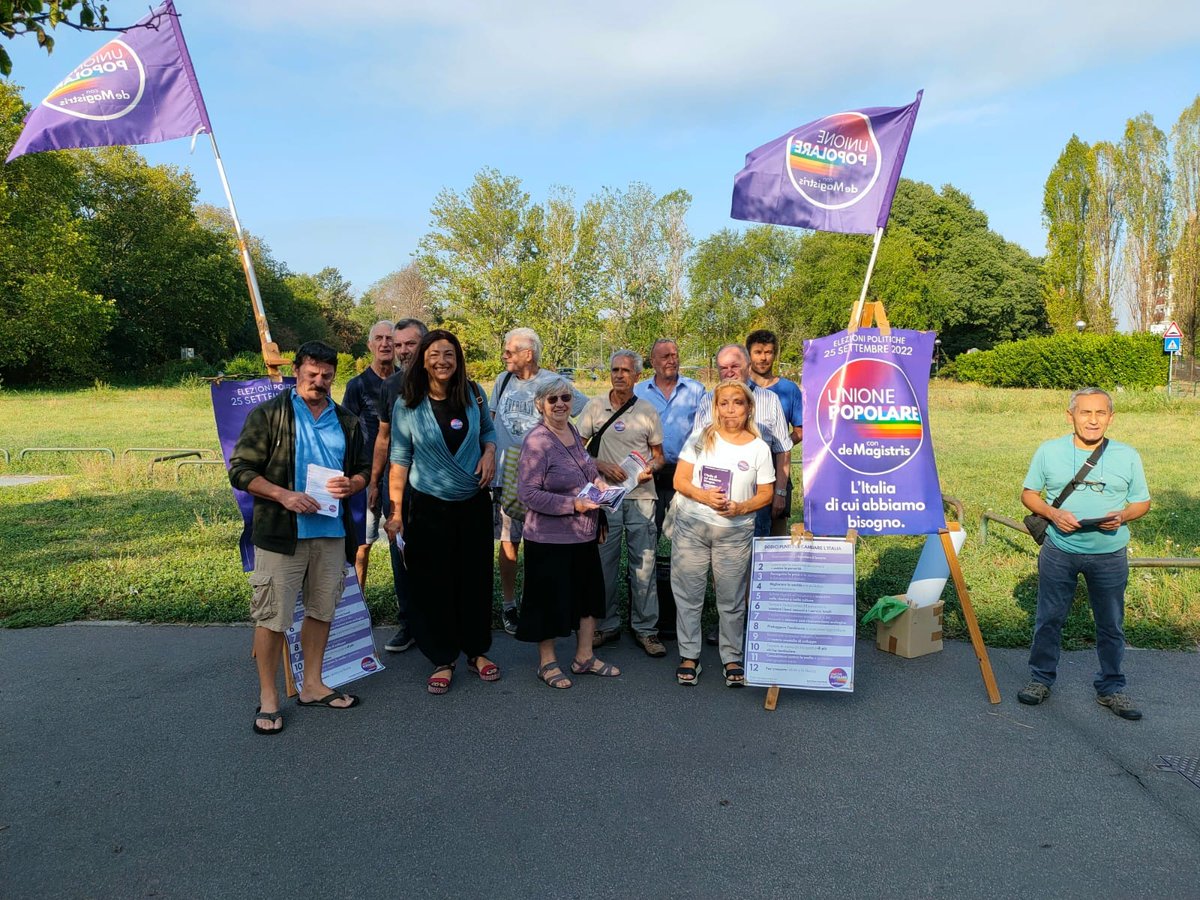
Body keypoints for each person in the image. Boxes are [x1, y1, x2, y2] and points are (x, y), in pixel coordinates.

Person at [229, 341, 370, 735]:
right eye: (312, 374)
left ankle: (312, 684)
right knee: (272, 616)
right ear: (296, 371)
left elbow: (362, 469)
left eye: (327, 375)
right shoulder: (269, 414)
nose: (319, 381)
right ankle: (270, 696)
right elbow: (239, 469)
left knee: (322, 610)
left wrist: (353, 484)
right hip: (281, 535)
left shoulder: (346, 420)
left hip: (331, 533)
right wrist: (282, 494)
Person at [1017, 387, 1150, 720]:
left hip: (1109, 553)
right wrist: (1052, 514)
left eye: (1100, 413)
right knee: (1049, 618)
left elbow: (1142, 502)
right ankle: (1040, 679)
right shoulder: (1049, 451)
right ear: (1070, 415)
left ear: (1111, 417)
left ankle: (1111, 688)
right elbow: (1029, 494)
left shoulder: (1128, 455)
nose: (1093, 420)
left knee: (1111, 624)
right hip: (1060, 549)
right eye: (1085, 413)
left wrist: (1124, 516)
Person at [384, 330, 499, 695]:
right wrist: (396, 512)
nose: (442, 361)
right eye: (434, 354)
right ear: (423, 360)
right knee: (434, 582)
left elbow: (490, 432)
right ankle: (443, 657)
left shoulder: (474, 394)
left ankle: (476, 651)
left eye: (449, 354)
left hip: (473, 501)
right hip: (427, 505)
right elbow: (399, 461)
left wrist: (489, 453)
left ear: (458, 358)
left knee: (475, 578)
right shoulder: (408, 404)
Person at [515, 377, 620, 689]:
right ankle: (547, 663)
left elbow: (587, 469)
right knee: (548, 600)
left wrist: (602, 491)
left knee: (588, 596)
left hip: (583, 534)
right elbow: (528, 494)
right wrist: (573, 504)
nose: (560, 404)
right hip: (548, 538)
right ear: (540, 405)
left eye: (565, 398)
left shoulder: (572, 431)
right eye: (552, 400)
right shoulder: (537, 441)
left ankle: (584, 657)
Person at [670, 380, 775, 688]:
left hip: (735, 532)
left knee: (730, 599)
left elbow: (766, 493)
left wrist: (742, 508)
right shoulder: (702, 438)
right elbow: (680, 480)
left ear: (749, 408)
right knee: (689, 595)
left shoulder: (759, 448)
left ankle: (732, 657)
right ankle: (689, 656)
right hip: (692, 526)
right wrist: (704, 497)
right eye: (724, 402)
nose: (731, 409)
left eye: (737, 402)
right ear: (715, 408)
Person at [691, 344, 793, 645]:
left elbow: (782, 448)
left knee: (750, 561)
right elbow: (697, 448)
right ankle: (726, 624)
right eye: (722, 367)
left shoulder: (768, 399)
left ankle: (749, 624)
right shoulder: (708, 401)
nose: (728, 372)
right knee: (721, 565)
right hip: (717, 498)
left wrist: (779, 492)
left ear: (748, 365)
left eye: (734, 365)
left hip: (755, 499)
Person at [490, 327, 587, 635]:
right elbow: (491, 424)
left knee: (541, 544)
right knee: (509, 542)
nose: (504, 356)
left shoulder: (551, 383)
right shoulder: (502, 381)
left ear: (527, 353)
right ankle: (509, 605)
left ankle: (543, 606)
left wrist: (576, 452)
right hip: (508, 476)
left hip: (546, 481)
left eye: (509, 351)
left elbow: (587, 413)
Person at [578, 350, 666, 656]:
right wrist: (600, 465)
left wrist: (649, 470)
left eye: (625, 371)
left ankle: (646, 630)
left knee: (644, 564)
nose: (619, 375)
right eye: (614, 369)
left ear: (637, 376)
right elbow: (576, 452)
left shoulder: (647, 410)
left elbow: (659, 456)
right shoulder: (594, 407)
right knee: (604, 564)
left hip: (641, 497)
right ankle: (606, 625)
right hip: (605, 499)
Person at [369, 318, 428, 653]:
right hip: (399, 487)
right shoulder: (391, 386)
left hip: (437, 487)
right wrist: (375, 481)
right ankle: (408, 624)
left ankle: (437, 622)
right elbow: (383, 437)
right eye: (400, 344)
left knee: (436, 555)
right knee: (401, 552)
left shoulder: (449, 380)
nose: (405, 350)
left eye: (411, 343)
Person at [341, 320, 395, 590]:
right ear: (370, 345)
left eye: (390, 338)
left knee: (401, 544)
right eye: (379, 338)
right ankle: (359, 606)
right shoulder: (357, 385)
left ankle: (408, 613)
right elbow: (345, 432)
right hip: (365, 477)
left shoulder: (406, 382)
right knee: (363, 545)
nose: (385, 344)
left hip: (400, 474)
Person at [634, 338, 706, 534]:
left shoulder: (696, 390)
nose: (672, 361)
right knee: (648, 532)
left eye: (675, 356)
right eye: (665, 356)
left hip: (685, 474)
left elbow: (705, 431)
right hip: (649, 476)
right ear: (653, 360)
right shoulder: (638, 391)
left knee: (685, 534)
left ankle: (680, 566)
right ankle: (651, 565)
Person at [746, 328, 803, 537]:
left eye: (768, 352)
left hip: (778, 467)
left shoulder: (789, 389)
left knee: (776, 531)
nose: (763, 357)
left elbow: (800, 430)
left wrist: (778, 445)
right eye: (758, 352)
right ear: (749, 354)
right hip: (745, 469)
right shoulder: (740, 389)